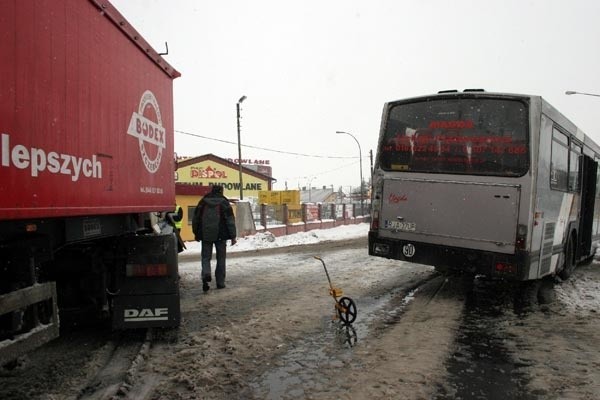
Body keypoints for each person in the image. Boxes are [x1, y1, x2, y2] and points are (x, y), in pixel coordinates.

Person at [192, 185, 237, 292]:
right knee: (221, 259)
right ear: (221, 191)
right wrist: (233, 236)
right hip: (221, 235)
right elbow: (230, 220)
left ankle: (206, 275)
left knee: (205, 257)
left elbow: (196, 218)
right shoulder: (224, 203)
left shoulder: (203, 202)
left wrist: (196, 233)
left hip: (206, 235)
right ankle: (220, 282)